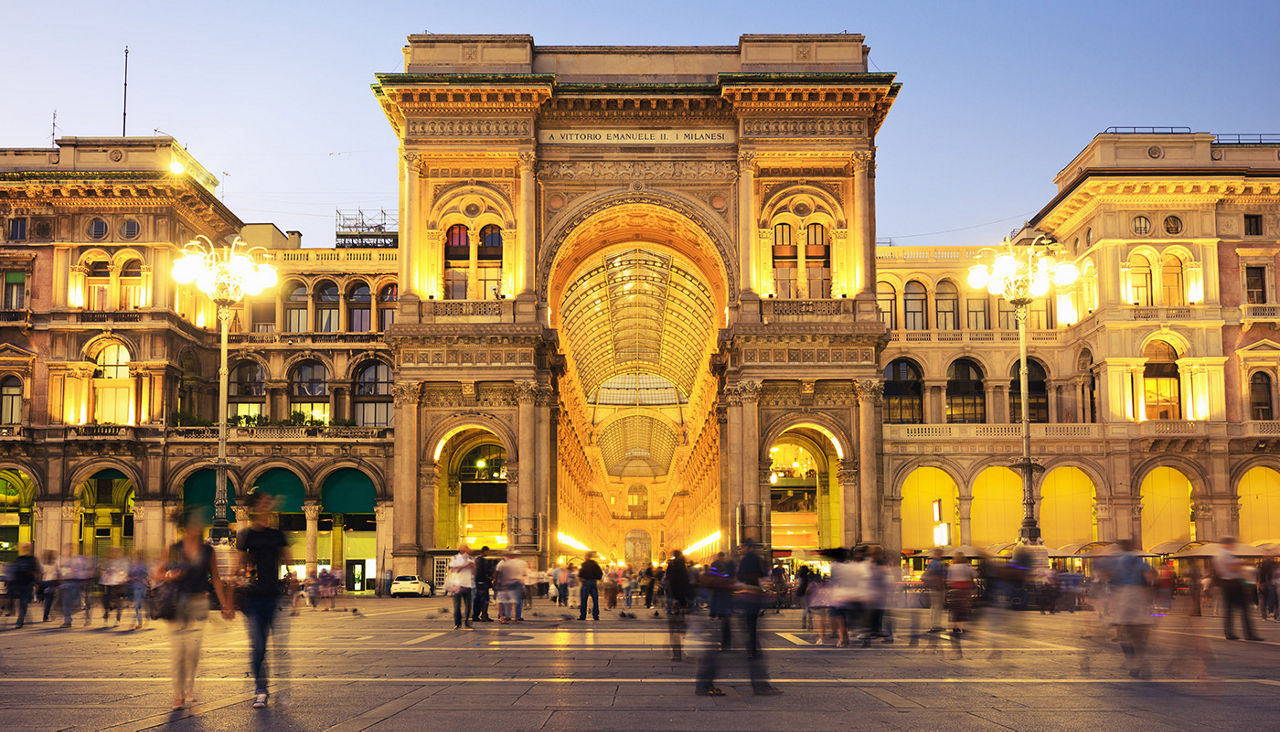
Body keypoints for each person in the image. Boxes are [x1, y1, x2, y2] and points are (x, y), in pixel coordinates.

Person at [161, 509, 233, 710]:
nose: (197, 526)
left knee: (193, 651)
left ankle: (189, 689)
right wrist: (170, 576)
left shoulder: (207, 551)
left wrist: (225, 604)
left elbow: (216, 579)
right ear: (186, 526)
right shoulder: (174, 549)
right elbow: (158, 573)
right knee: (178, 651)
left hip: (199, 602)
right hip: (177, 604)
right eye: (194, 522)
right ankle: (178, 693)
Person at [695, 539, 781, 696]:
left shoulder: (733, 570)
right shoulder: (740, 571)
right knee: (745, 648)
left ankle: (706, 684)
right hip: (733, 611)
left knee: (741, 648)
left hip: (729, 611)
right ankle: (705, 684)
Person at [236, 490, 291, 709]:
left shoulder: (278, 535)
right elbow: (237, 566)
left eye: (270, 501)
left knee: (279, 646)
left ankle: (281, 689)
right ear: (256, 506)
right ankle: (261, 689)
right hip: (253, 597)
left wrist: (294, 589)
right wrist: (232, 595)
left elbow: (289, 562)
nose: (269, 505)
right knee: (258, 646)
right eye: (265, 501)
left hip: (273, 596)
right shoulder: (247, 535)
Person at [1107, 539, 1157, 677]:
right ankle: (1139, 660)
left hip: (1122, 595)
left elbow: (1110, 580)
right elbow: (1149, 577)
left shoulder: (1116, 561)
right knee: (1140, 632)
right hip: (1138, 594)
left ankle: (1132, 661)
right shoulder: (1138, 560)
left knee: (1124, 632)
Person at [1212, 536, 1261, 641]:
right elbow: (1235, 568)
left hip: (1225, 583)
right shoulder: (1226, 554)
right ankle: (1249, 634)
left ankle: (1229, 633)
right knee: (1244, 609)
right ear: (1228, 544)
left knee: (1229, 610)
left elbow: (1218, 572)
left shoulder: (1217, 556)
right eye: (1233, 543)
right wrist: (1243, 570)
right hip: (1234, 583)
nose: (1234, 546)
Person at [666, 550, 691, 661]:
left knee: (674, 628)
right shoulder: (684, 569)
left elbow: (672, 583)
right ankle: (681, 650)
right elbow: (687, 585)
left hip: (675, 600)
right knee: (681, 626)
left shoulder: (673, 567)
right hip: (683, 601)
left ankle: (677, 654)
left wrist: (673, 599)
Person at [7, 542, 38, 629]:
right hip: (19, 584)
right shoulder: (19, 559)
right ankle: (23, 618)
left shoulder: (32, 559)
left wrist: (35, 581)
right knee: (21, 603)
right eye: (24, 547)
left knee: (23, 603)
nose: (25, 548)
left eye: (27, 547)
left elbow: (36, 571)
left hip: (27, 584)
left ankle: (20, 621)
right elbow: (14, 571)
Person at [446, 543, 475, 630]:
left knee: (468, 606)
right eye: (467, 548)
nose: (468, 549)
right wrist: (464, 565)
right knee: (457, 605)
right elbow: (453, 569)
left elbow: (474, 569)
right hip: (457, 585)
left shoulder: (470, 558)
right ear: (462, 549)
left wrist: (470, 566)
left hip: (468, 584)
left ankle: (466, 623)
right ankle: (457, 623)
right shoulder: (454, 558)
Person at [494, 551, 527, 623]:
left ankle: (509, 616)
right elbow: (497, 573)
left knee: (509, 600)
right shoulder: (503, 563)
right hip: (509, 583)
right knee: (511, 600)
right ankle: (510, 616)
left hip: (508, 583)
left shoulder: (508, 563)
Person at [100, 547, 129, 627]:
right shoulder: (107, 562)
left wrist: (120, 573)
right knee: (107, 601)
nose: (115, 554)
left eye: (117, 552)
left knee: (118, 602)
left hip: (119, 584)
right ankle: (106, 618)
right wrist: (107, 571)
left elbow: (125, 572)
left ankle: (117, 619)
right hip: (109, 583)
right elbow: (103, 570)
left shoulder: (123, 562)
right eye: (113, 552)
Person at [922, 548, 947, 633]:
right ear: (939, 554)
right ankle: (936, 625)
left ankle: (933, 624)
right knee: (938, 607)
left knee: (934, 607)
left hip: (932, 587)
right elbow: (939, 575)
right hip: (938, 587)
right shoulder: (938, 563)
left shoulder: (931, 562)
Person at [127, 550, 150, 630]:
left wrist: (138, 577)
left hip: (141, 586)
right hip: (134, 586)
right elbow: (129, 574)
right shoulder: (133, 565)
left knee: (137, 605)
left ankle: (136, 623)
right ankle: (142, 620)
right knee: (138, 606)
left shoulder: (143, 565)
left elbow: (145, 574)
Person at [578, 551, 603, 621]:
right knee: (595, 599)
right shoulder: (595, 564)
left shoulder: (584, 564)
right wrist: (597, 579)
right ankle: (596, 615)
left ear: (586, 557)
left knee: (584, 599)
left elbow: (580, 574)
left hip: (586, 582)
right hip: (593, 582)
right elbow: (600, 573)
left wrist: (582, 580)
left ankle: (583, 615)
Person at [472, 546, 494, 623]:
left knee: (477, 600)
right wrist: (490, 575)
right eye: (488, 551)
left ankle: (475, 616)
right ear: (484, 551)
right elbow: (484, 571)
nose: (488, 553)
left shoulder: (476, 560)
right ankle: (484, 616)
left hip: (477, 582)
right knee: (484, 599)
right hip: (482, 583)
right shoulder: (482, 561)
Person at [39, 549, 59, 623]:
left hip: (45, 582)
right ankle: (46, 616)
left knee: (48, 601)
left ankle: (48, 613)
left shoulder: (43, 564)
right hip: (51, 582)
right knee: (50, 601)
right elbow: (57, 573)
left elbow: (41, 574)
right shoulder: (55, 564)